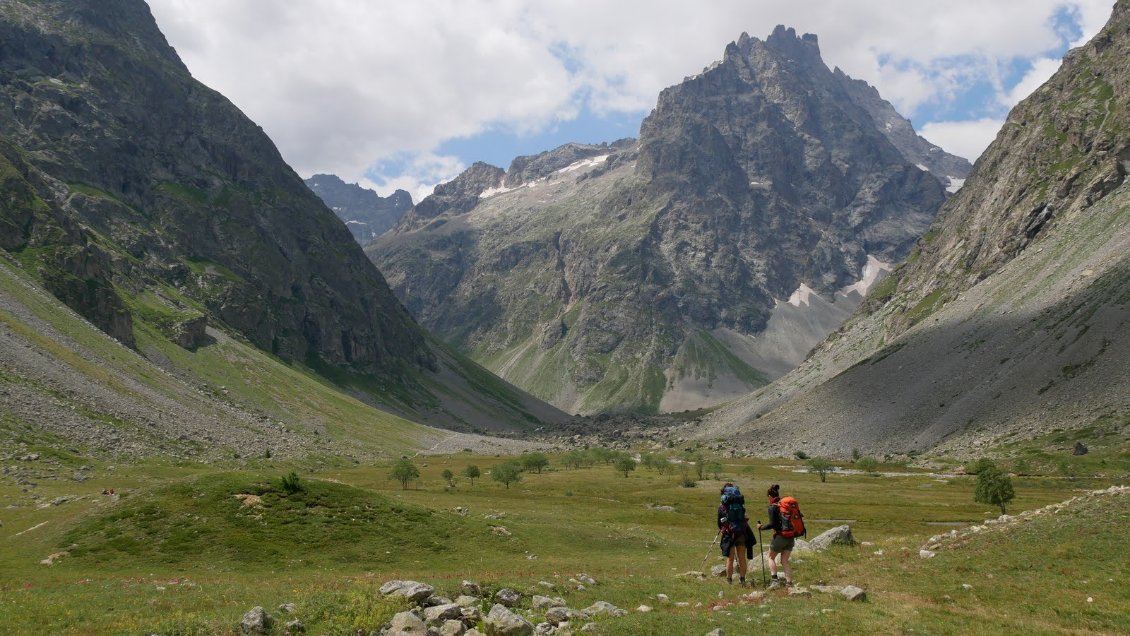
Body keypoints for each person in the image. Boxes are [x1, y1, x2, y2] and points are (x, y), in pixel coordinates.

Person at [717, 482, 755, 586]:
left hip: (729, 535)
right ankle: (742, 580)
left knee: (730, 558)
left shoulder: (722, 507)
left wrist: (724, 528)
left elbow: (719, 523)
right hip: (741, 533)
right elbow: (744, 517)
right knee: (742, 557)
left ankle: (729, 580)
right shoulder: (740, 504)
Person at [757, 483, 793, 587]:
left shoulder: (773, 507)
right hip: (791, 536)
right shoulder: (785, 505)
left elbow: (772, 524)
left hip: (780, 536)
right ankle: (789, 583)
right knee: (784, 561)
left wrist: (761, 527)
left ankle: (774, 580)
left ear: (770, 496)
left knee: (770, 557)